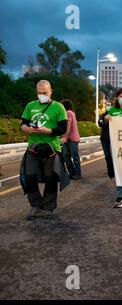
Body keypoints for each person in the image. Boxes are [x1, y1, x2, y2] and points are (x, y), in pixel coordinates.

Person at [20, 80, 69, 220]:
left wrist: (48, 130)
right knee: (29, 177)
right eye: (39, 93)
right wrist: (28, 129)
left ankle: (48, 207)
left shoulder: (58, 107)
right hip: (32, 148)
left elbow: (62, 128)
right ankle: (35, 205)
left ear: (51, 91)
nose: (42, 95)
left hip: (52, 148)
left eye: (45, 93)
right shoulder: (30, 106)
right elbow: (23, 124)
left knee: (50, 178)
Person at [60, 99, 81, 180]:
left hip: (72, 139)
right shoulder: (68, 113)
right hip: (68, 139)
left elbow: (68, 128)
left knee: (75, 156)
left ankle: (77, 173)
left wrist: (64, 138)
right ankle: (71, 172)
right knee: (66, 156)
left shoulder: (69, 113)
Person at [98, 102, 115, 179]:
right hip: (104, 138)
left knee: (113, 155)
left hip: (113, 138)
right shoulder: (103, 115)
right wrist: (107, 123)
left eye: (109, 104)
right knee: (107, 155)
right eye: (106, 105)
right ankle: (110, 171)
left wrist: (105, 123)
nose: (107, 106)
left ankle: (114, 171)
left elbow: (107, 124)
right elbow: (100, 124)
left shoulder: (114, 114)